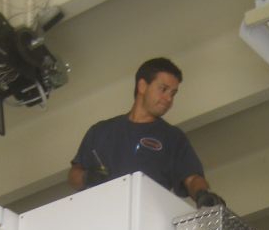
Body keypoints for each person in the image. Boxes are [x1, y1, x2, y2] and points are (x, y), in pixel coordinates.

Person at [68, 57, 224, 208]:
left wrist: (202, 193)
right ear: (142, 86)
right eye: (163, 89)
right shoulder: (100, 131)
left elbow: (192, 178)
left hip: (147, 217)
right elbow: (74, 175)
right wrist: (87, 177)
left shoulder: (173, 137)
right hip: (101, 215)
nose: (168, 99)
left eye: (173, 93)